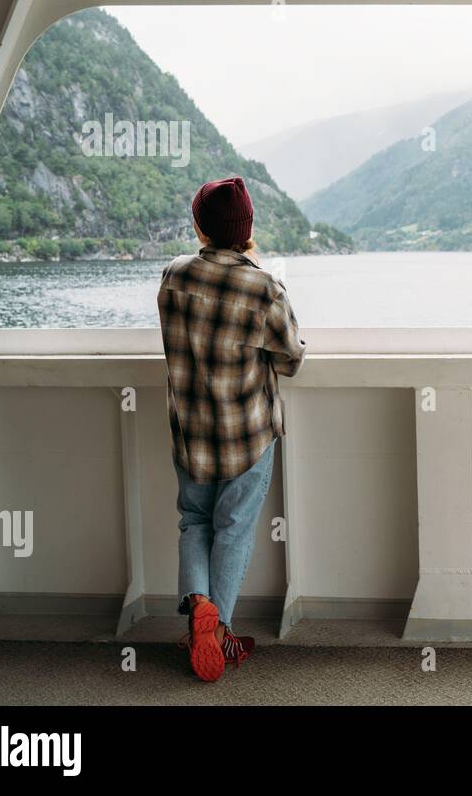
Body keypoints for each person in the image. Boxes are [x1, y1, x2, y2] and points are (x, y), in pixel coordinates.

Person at [157, 176, 306, 682]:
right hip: (246, 436)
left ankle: (200, 612)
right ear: (248, 230)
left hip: (190, 434)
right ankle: (216, 632)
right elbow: (291, 359)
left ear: (199, 225)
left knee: (194, 522)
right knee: (234, 529)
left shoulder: (173, 276)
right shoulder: (264, 288)